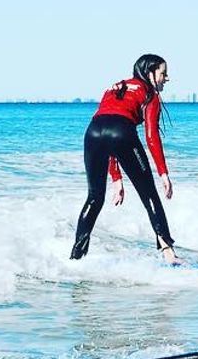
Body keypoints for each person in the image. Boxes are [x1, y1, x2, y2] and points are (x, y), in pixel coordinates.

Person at [70, 54, 181, 264]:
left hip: (92, 133)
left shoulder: (114, 88)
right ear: (149, 73)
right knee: (150, 196)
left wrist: (116, 178)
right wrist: (163, 173)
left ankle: (76, 258)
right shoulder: (150, 94)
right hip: (121, 132)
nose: (166, 78)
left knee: (94, 198)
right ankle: (169, 254)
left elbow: (106, 126)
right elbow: (151, 136)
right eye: (163, 73)